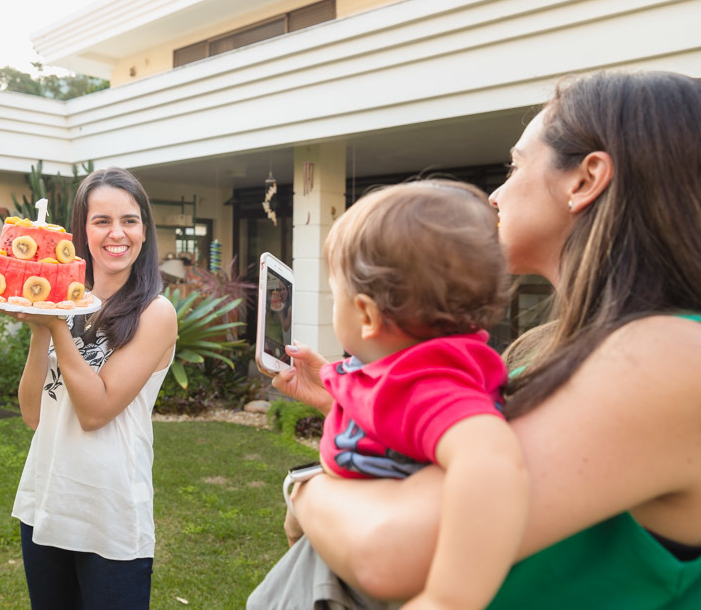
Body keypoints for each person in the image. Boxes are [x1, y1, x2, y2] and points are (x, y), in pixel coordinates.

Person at [265, 70, 701, 608]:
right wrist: (368, 399)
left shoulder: (669, 357)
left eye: (516, 166)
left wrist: (307, 488)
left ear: (584, 180)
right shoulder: (550, 345)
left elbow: (389, 550)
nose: (495, 195)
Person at [309, 180, 527, 610]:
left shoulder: (431, 384)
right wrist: (322, 379)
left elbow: (493, 461)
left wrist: (449, 597)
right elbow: (368, 391)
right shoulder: (403, 370)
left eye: (336, 297)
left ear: (367, 314)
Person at [0, 167, 177, 610]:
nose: (117, 233)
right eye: (102, 221)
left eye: (129, 220)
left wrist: (54, 325)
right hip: (47, 504)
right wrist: (41, 329)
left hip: (108, 517)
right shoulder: (67, 304)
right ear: (81, 232)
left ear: (144, 232)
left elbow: (96, 412)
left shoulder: (156, 313)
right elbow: (34, 414)